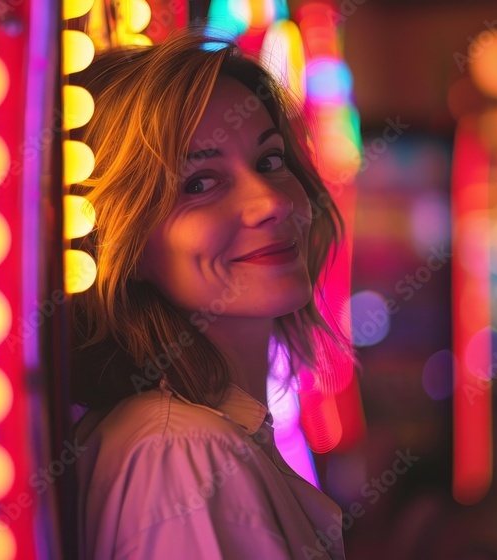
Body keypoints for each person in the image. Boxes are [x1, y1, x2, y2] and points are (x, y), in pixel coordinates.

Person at [69, 27, 356, 560]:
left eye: (270, 161)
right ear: (120, 241)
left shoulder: (198, 435)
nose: (270, 200)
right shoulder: (183, 454)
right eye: (198, 183)